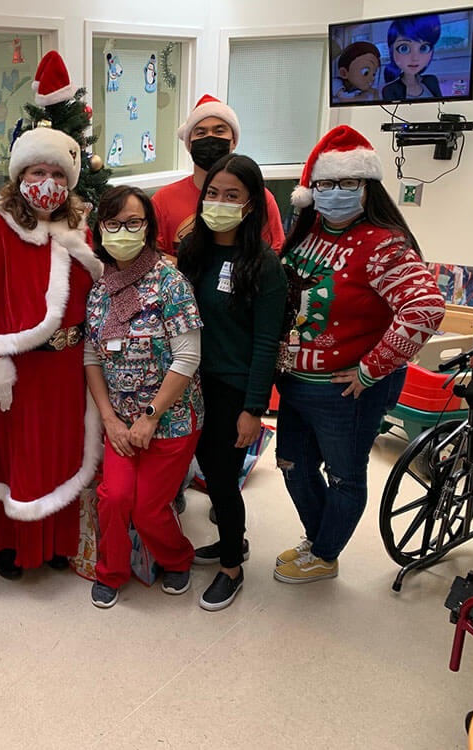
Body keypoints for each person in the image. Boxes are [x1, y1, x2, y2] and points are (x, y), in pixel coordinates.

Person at [274, 125, 445, 583]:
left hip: (343, 391)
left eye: (348, 184)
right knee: (292, 464)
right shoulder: (305, 234)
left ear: (368, 188)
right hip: (292, 382)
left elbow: (426, 306)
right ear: (311, 191)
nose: (335, 194)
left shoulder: (382, 244)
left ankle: (325, 553)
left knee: (345, 477)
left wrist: (372, 369)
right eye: (325, 184)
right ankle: (321, 540)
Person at [0, 126, 103, 579]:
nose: (48, 181)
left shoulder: (78, 227)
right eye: (38, 171)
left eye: (58, 172)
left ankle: (57, 542)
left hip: (67, 368)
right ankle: (10, 544)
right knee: (15, 456)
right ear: (20, 175)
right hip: (16, 369)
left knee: (61, 452)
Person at [85, 186, 203, 609]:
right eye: (113, 224)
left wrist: (151, 415)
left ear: (149, 228)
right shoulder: (99, 290)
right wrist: (111, 420)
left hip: (170, 421)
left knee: (149, 509)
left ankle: (178, 558)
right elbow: (91, 358)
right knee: (114, 498)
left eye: (134, 223)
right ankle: (111, 572)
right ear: (99, 229)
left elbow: (188, 356)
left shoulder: (171, 284)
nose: (123, 232)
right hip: (120, 422)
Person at [177, 154, 287, 611]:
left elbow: (266, 344)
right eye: (213, 193)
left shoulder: (263, 266)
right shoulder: (193, 251)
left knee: (222, 481)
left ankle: (231, 568)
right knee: (206, 468)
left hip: (233, 389)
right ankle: (232, 544)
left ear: (251, 204)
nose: (219, 202)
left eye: (232, 195)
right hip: (190, 382)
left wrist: (253, 408)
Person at [152, 95, 285, 258]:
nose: (210, 137)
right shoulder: (163, 200)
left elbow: (273, 253)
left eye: (219, 131)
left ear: (233, 141)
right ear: (189, 144)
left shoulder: (260, 198)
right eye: (200, 132)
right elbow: (153, 256)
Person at [381, 15, 443, 102]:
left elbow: (441, 107)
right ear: (391, 51)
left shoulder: (432, 80)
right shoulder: (390, 90)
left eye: (424, 48)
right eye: (404, 48)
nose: (415, 58)